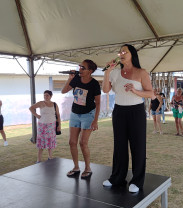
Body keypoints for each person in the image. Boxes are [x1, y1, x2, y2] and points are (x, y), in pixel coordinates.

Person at [102, 44, 154, 193]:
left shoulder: (141, 72)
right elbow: (105, 89)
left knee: (138, 146)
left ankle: (137, 181)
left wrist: (135, 90)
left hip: (136, 112)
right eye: (120, 52)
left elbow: (151, 94)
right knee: (119, 146)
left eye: (124, 51)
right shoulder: (115, 72)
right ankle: (117, 178)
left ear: (132, 54)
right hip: (119, 111)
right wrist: (107, 72)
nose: (121, 53)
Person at [61, 59, 101, 179]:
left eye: (83, 68)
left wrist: (95, 120)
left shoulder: (94, 84)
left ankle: (88, 168)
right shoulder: (76, 79)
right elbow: (63, 91)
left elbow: (98, 103)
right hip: (75, 114)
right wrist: (70, 78)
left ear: (90, 71)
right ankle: (76, 167)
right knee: (72, 142)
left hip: (88, 114)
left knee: (83, 143)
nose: (80, 69)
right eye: (80, 67)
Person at [29, 90, 61, 163]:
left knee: (50, 142)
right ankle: (39, 160)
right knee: (41, 143)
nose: (45, 97)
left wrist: (59, 125)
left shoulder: (54, 104)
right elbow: (31, 108)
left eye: (47, 95)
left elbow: (58, 115)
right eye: (44, 95)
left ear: (51, 96)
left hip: (52, 125)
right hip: (42, 126)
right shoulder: (41, 103)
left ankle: (50, 157)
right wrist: (37, 115)